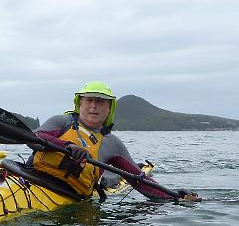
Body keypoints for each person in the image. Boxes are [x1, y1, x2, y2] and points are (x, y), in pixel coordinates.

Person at [29, 81, 199, 201]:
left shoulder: (112, 143)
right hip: (31, 178)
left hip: (71, 197)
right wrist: (66, 145)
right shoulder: (62, 122)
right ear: (79, 104)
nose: (93, 106)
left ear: (109, 108)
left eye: (100, 102)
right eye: (88, 100)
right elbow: (34, 139)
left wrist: (176, 197)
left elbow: (139, 181)